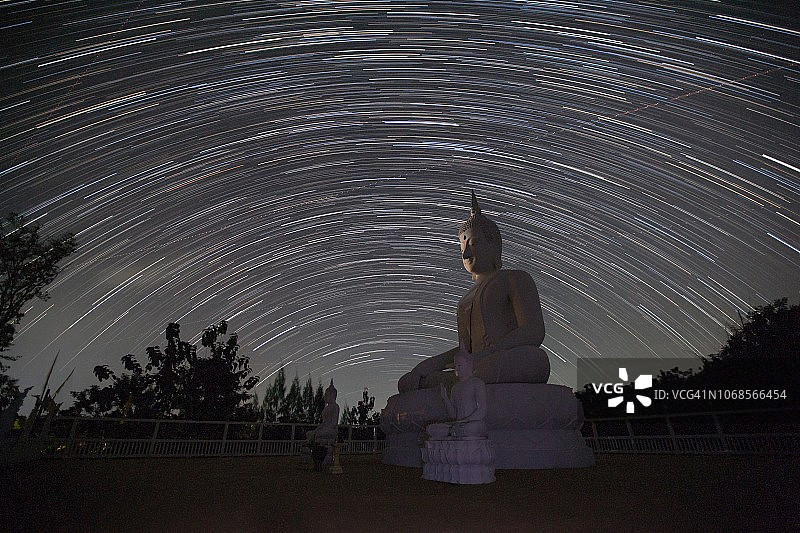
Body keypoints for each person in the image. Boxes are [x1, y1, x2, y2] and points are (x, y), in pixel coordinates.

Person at [398, 191, 550, 392]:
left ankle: (455, 386)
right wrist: (431, 364)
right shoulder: (464, 301)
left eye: (474, 243)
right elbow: (465, 350)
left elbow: (534, 331)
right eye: (462, 246)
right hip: (475, 366)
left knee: (534, 361)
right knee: (407, 381)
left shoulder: (514, 278)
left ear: (494, 244)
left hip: (502, 359)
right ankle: (457, 384)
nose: (466, 253)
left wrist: (486, 354)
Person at [427, 344, 488, 439]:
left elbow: (482, 410)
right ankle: (454, 431)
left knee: (471, 428)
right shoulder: (455, 388)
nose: (456, 369)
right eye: (455, 366)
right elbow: (453, 415)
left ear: (468, 365)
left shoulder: (477, 383)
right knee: (431, 429)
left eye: (459, 365)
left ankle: (454, 432)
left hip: (472, 423)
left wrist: (465, 421)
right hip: (458, 424)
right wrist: (445, 399)